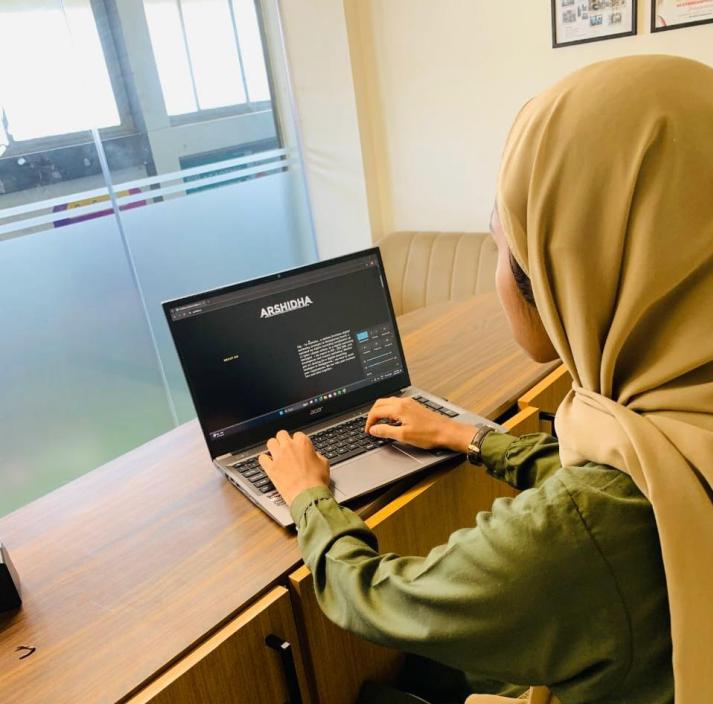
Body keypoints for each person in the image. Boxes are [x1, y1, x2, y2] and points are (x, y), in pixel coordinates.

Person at [260, 55, 713, 704]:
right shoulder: (680, 427)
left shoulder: (593, 522)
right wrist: (468, 436)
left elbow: (384, 600)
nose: (497, 272)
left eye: (503, 245)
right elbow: (644, 484)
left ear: (570, 271)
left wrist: (308, 495)